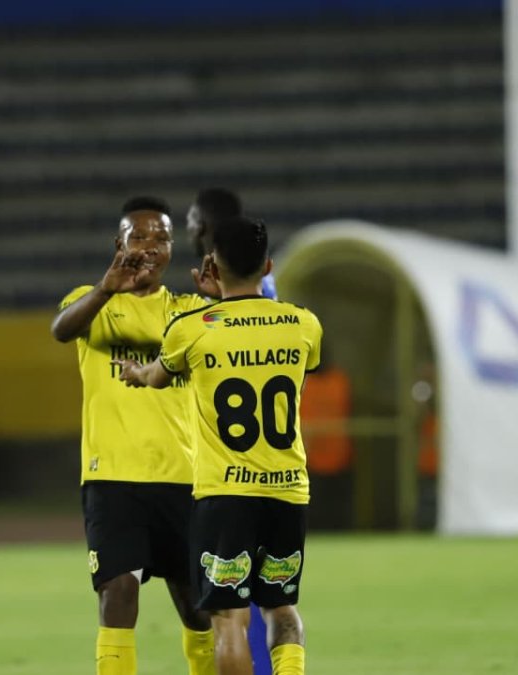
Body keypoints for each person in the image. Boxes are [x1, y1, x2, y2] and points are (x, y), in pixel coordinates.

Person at [117, 215, 322, 675]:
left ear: (211, 265)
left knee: (228, 619)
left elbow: (156, 374)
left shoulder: (191, 329)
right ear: (267, 265)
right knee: (282, 610)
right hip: (288, 491)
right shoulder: (304, 325)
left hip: (225, 496)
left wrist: (135, 373)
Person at [50, 196, 218, 675]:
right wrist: (107, 287)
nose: (150, 246)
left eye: (161, 237)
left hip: (184, 477)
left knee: (197, 608)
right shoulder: (92, 302)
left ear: (172, 248)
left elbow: (233, 338)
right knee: (118, 592)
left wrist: (221, 302)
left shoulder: (188, 310)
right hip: (113, 478)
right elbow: (61, 330)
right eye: (138, 236)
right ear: (118, 244)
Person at [188, 186, 274, 673]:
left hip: (226, 473)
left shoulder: (217, 310)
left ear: (207, 228)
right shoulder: (274, 300)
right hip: (276, 469)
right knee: (274, 599)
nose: (188, 231)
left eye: (192, 221)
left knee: (228, 608)